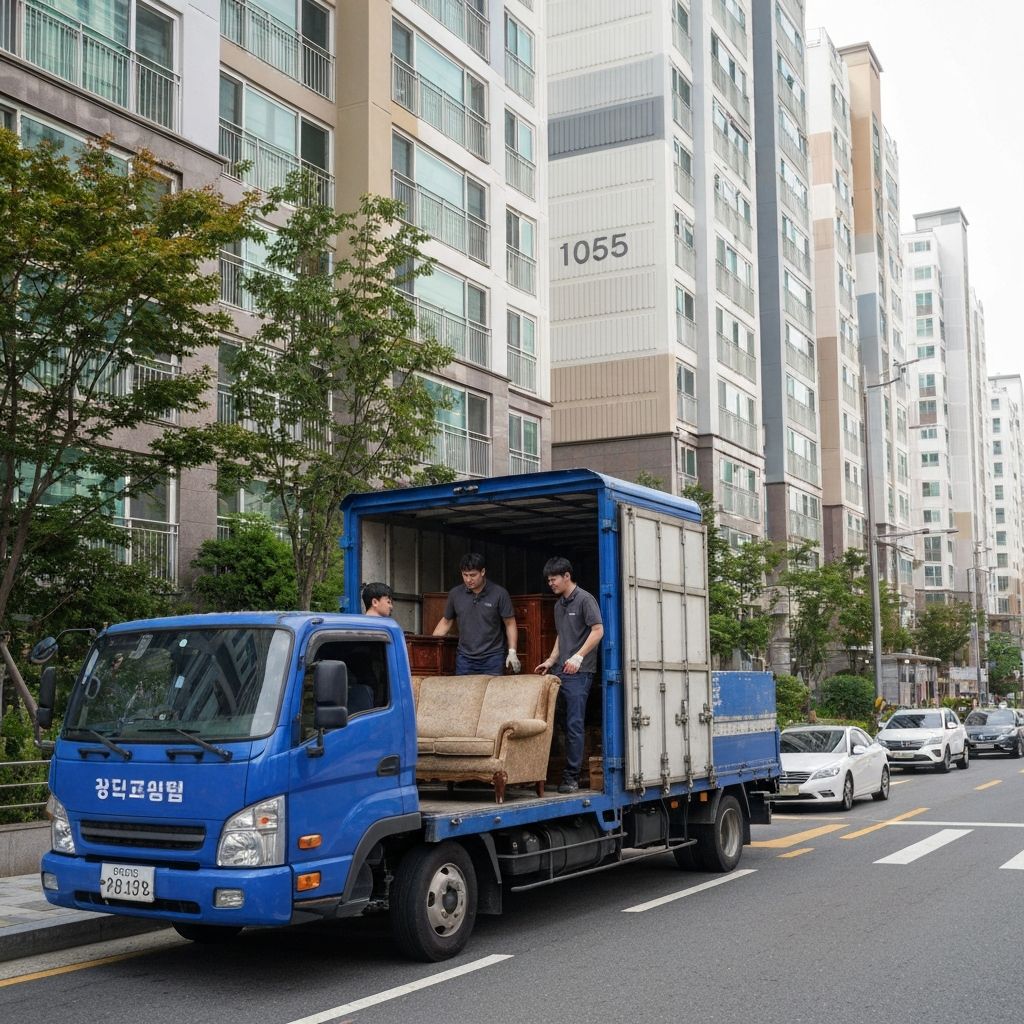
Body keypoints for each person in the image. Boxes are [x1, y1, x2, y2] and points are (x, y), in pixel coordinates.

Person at [535, 556, 604, 794]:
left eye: (553, 579)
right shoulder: (558, 605)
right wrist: (551, 660)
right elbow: (561, 635)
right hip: (560, 671)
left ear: (566, 576)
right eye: (548, 580)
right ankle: (544, 773)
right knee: (554, 722)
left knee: (574, 724)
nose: (551, 584)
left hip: (580, 672)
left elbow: (598, 631)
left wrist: (579, 656)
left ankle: (571, 777)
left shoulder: (585, 600)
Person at [433, 553, 520, 676]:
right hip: (464, 659)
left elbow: (510, 624)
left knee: (492, 694)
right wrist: (431, 648)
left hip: (493, 658)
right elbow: (446, 622)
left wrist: (512, 652)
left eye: (473, 575)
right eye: (465, 575)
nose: (468, 580)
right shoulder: (455, 594)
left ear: (483, 572)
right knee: (464, 694)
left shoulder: (500, 593)